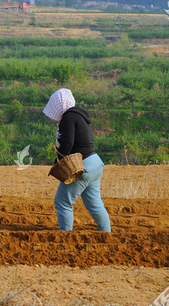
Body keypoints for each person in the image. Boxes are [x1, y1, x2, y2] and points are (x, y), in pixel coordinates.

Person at [43, 88, 110, 233]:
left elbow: (67, 144)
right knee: (95, 204)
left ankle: (65, 236)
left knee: (62, 202)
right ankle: (106, 234)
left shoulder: (68, 117)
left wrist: (58, 163)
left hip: (82, 166)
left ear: (59, 104)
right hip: (95, 163)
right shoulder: (79, 115)